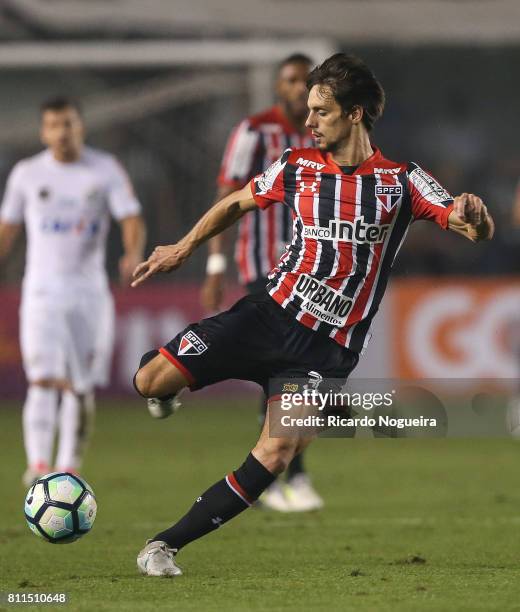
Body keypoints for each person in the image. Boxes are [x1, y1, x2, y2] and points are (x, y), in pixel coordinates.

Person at [131, 53, 494, 577]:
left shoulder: (403, 182)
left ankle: (163, 546)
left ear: (355, 114)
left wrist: (475, 218)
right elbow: (236, 203)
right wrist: (184, 248)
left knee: (277, 450)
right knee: (147, 381)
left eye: (320, 110)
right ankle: (163, 391)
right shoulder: (298, 167)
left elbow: (468, 227)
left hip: (327, 351)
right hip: (266, 315)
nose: (308, 121)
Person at [0, 96, 146, 487]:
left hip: (88, 293)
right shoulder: (27, 174)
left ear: (80, 127)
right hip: (41, 291)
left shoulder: (103, 170)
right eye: (53, 125)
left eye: (67, 124)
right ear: (43, 131)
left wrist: (132, 253)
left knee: (79, 385)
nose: (61, 132)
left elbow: (130, 216)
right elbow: (7, 229)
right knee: (43, 378)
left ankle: (68, 467)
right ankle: (39, 467)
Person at [201, 53, 322, 512]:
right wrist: (215, 265)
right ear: (278, 86)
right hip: (261, 266)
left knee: (299, 375)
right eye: (291, 80)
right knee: (285, 372)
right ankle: (284, 477)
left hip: (310, 274)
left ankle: (279, 476)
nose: (298, 88)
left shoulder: (323, 134)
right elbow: (227, 196)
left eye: (306, 81)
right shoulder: (255, 131)